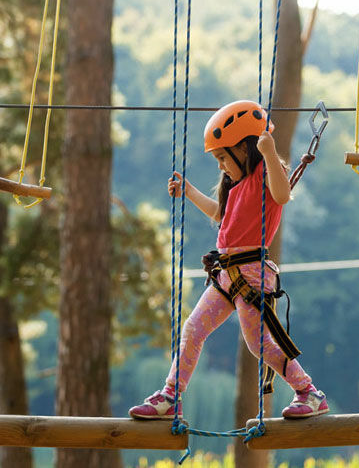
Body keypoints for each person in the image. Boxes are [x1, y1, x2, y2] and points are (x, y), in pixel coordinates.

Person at [129, 100, 328, 420]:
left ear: (244, 150)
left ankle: (309, 392)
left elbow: (282, 195)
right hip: (226, 275)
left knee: (259, 344)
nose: (221, 165)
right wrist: (188, 191)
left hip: (250, 274)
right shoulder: (236, 188)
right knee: (192, 329)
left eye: (223, 157)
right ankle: (170, 396)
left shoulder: (266, 172)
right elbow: (220, 216)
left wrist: (268, 152)